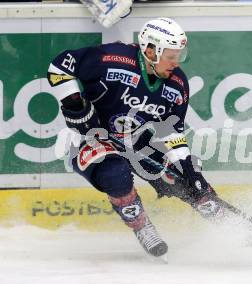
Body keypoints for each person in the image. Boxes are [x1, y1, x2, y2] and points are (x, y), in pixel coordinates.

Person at [47, 17, 224, 258]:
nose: (176, 62)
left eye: (179, 55)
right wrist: (73, 103)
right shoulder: (111, 59)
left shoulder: (177, 84)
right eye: (171, 55)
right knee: (116, 174)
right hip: (90, 138)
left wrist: (189, 169)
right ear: (150, 50)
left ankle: (226, 220)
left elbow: (170, 131)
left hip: (134, 140)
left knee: (185, 179)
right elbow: (60, 67)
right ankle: (142, 226)